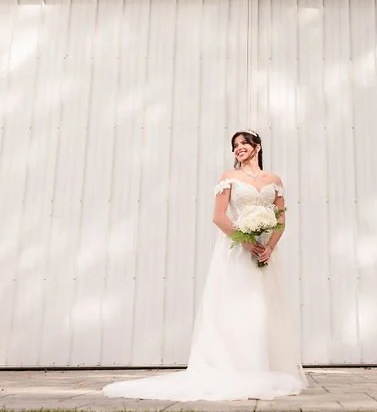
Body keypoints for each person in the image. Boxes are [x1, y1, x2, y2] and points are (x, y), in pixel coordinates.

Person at [101, 130, 307, 402]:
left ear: (257, 147)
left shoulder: (274, 181)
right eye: (234, 146)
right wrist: (246, 242)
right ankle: (232, 366)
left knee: (263, 305)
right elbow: (218, 217)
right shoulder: (228, 178)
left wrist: (268, 247)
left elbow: (280, 219)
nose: (238, 149)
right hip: (236, 251)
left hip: (265, 253)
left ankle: (262, 365)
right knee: (235, 306)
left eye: (244, 143)